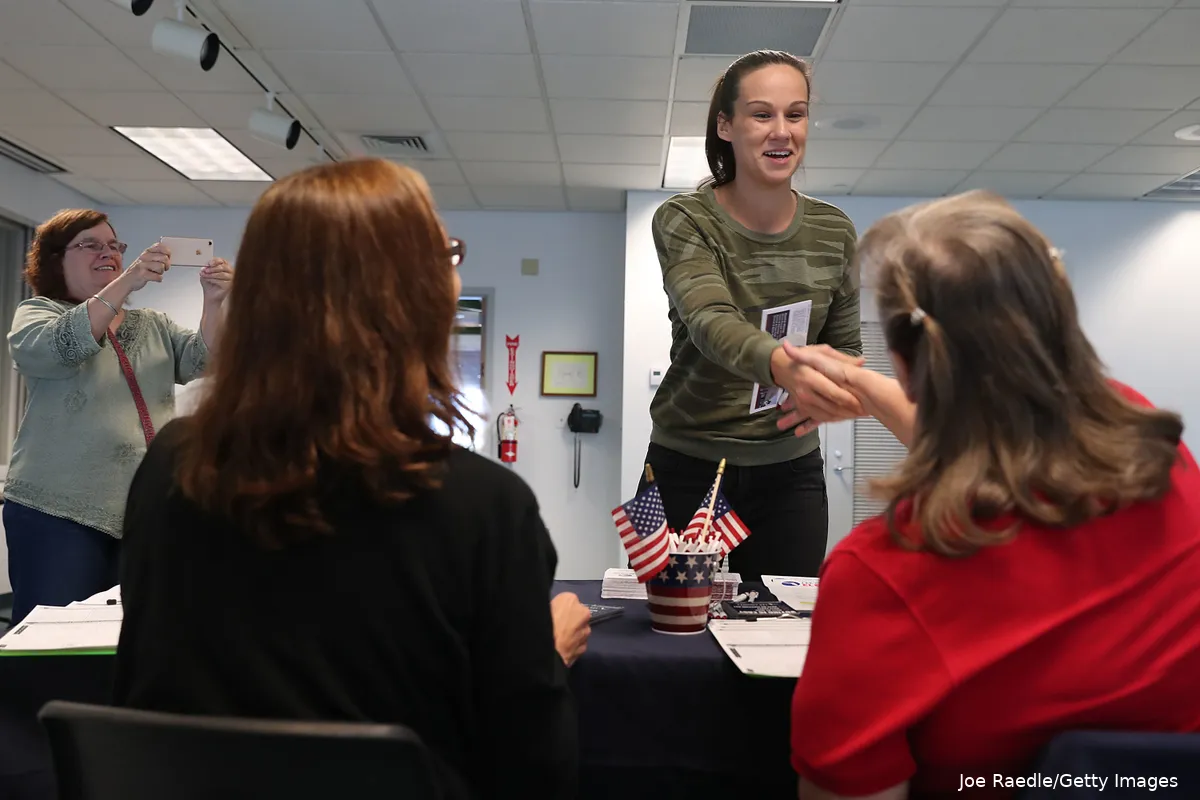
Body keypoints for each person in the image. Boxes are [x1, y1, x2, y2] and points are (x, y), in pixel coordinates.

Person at [112, 159, 579, 800]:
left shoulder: (173, 465)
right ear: (411, 298)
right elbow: (531, 769)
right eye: (443, 254)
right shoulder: (483, 507)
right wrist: (544, 654)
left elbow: (148, 701)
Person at [784, 191, 1200, 800]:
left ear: (903, 360)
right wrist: (868, 388)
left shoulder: (884, 574)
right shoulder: (1161, 456)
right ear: (1061, 318)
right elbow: (1002, 423)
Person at [641, 49, 864, 582]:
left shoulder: (835, 230)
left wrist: (833, 393)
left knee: (782, 642)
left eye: (796, 113)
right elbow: (710, 319)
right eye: (762, 114)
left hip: (791, 471)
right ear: (726, 125)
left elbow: (847, 349)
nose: (782, 131)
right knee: (678, 635)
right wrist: (786, 366)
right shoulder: (684, 219)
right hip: (687, 464)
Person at [3, 209, 231, 624]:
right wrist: (127, 282)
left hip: (142, 512)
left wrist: (214, 302)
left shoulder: (152, 324)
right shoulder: (37, 314)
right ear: (56, 259)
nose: (107, 252)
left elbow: (204, 361)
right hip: (59, 511)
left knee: (135, 638)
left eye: (113, 245)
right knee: (53, 637)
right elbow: (61, 348)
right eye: (90, 244)